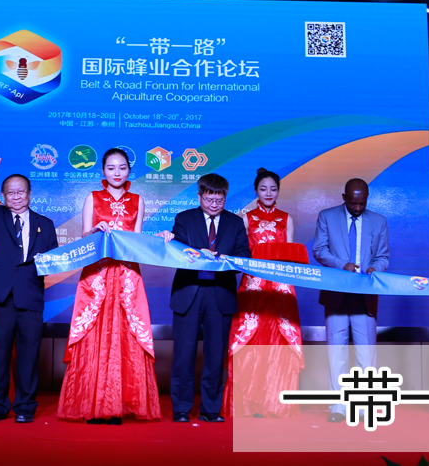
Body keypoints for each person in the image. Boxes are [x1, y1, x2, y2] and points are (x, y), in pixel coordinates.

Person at [59, 148, 159, 425]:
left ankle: (119, 405)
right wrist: (95, 230)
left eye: (122, 167)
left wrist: (160, 239)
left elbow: (137, 240)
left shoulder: (138, 200)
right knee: (93, 333)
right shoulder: (93, 197)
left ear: (129, 170)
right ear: (103, 170)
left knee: (126, 335)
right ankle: (91, 403)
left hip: (127, 275)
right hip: (97, 274)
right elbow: (84, 236)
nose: (117, 172)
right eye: (111, 168)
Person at [0, 156, 58, 424]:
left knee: (29, 353)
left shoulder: (46, 223)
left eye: (21, 192)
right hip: (1, 296)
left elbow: (52, 261)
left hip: (30, 296)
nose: (16, 197)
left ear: (30, 194)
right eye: (11, 193)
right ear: (3, 196)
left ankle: (25, 406)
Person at [158, 173, 251, 423]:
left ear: (225, 198)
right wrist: (194, 253)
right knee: (183, 354)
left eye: (219, 200)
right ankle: (181, 409)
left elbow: (245, 256)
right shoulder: (184, 219)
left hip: (220, 293)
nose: (214, 205)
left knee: (215, 355)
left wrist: (226, 259)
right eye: (209, 199)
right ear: (199, 196)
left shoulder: (234, 222)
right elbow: (174, 250)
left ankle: (211, 410)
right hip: (189, 291)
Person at [223, 168, 304, 419]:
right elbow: (240, 253)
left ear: (278, 191)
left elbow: (290, 255)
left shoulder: (287, 218)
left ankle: (275, 402)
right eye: (263, 189)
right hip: (253, 287)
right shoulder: (246, 218)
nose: (268, 193)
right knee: (250, 342)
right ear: (256, 191)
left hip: (280, 287)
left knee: (280, 342)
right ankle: (250, 403)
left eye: (273, 189)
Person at [312, 178, 389, 422]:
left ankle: (364, 406)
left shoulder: (379, 221)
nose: (358, 208)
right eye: (353, 203)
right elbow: (319, 250)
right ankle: (338, 407)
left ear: (367, 198)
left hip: (364, 296)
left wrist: (375, 268)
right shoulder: (327, 216)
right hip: (336, 294)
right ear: (344, 197)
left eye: (362, 203)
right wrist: (342, 265)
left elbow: (383, 256)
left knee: (366, 354)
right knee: (336, 352)